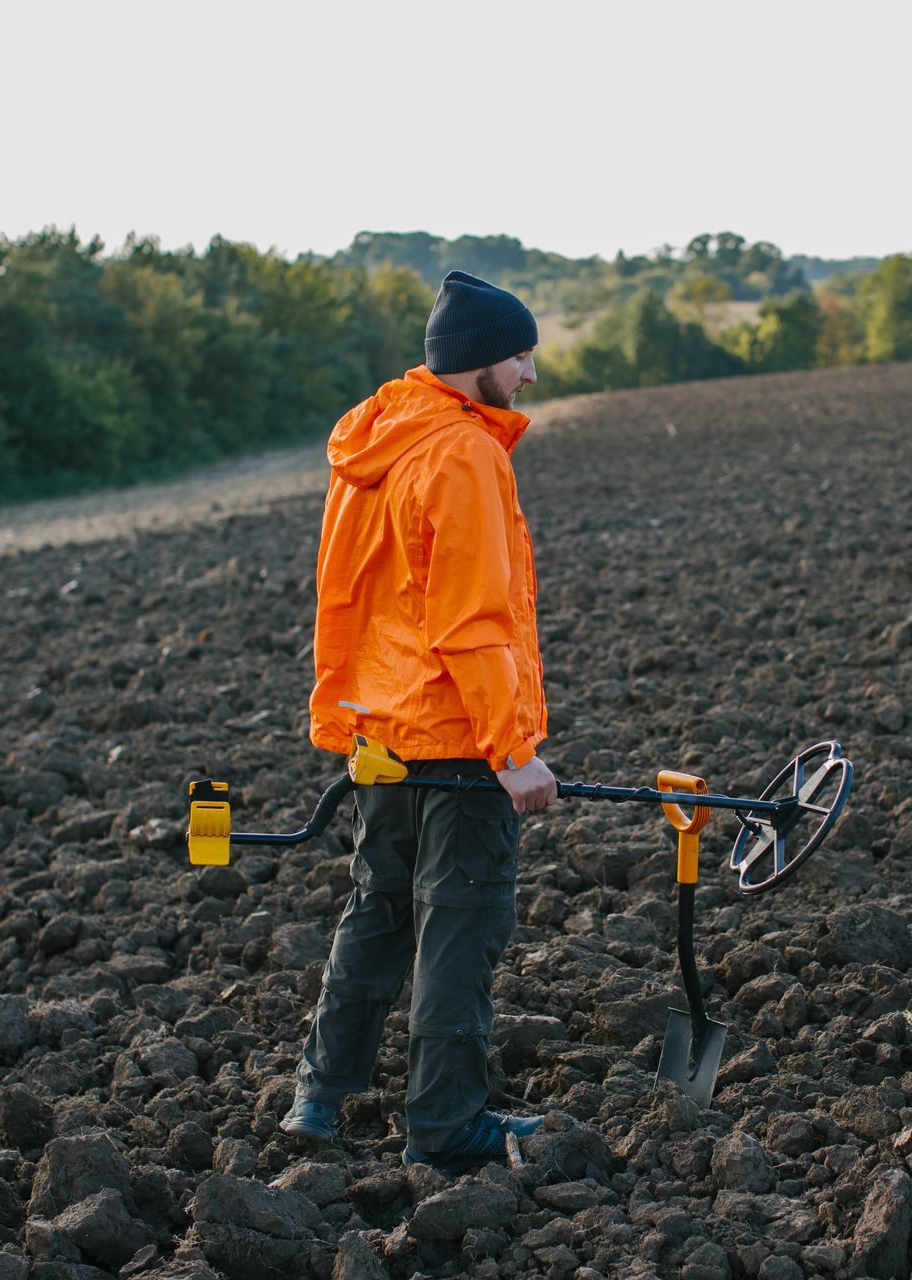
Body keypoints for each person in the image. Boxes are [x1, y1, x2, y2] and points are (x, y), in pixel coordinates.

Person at [280, 270, 559, 1172]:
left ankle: (319, 1100)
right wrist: (512, 751)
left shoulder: (379, 438)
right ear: (479, 360)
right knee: (459, 925)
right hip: (457, 735)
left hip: (384, 733)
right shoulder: (462, 454)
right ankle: (446, 1128)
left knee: (379, 912)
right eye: (520, 357)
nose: (527, 374)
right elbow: (470, 617)